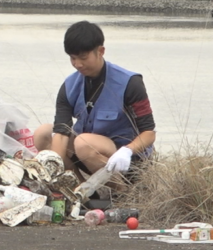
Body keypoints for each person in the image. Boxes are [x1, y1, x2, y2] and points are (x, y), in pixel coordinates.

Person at [33, 21, 155, 177]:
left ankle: (121, 192)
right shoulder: (69, 86)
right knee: (42, 133)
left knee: (83, 143)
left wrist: (127, 150)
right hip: (85, 152)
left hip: (125, 160)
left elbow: (149, 133)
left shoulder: (130, 83)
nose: (77, 64)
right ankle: (76, 189)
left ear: (100, 51)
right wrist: (55, 164)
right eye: (73, 58)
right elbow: (62, 131)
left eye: (83, 57)